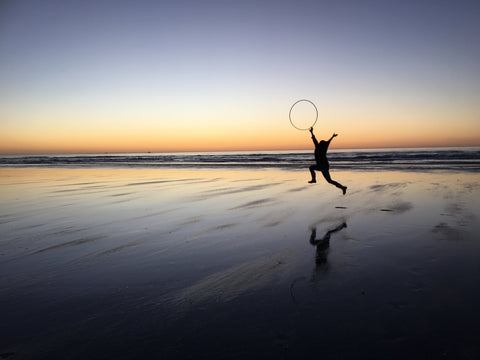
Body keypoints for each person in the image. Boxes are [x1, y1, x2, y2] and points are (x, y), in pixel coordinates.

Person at [308, 127, 347, 195]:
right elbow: (327, 142)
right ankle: (342, 187)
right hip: (322, 165)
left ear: (321, 144)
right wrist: (332, 137)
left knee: (312, 168)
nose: (319, 142)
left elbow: (315, 140)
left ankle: (314, 179)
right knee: (329, 180)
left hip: (323, 166)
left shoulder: (319, 147)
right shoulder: (323, 148)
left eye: (320, 142)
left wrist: (312, 132)